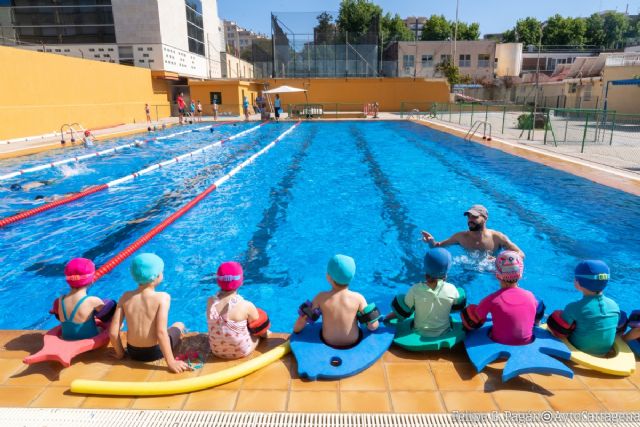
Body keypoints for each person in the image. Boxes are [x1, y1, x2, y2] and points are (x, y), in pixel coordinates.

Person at [109, 253, 191, 373]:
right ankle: (182, 329)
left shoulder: (125, 297)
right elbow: (161, 332)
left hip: (133, 352)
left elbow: (113, 332)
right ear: (157, 276)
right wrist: (171, 362)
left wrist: (121, 354)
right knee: (179, 324)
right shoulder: (163, 297)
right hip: (155, 352)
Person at [293, 254, 379, 348]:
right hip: (353, 342)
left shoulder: (321, 297)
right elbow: (373, 326)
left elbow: (302, 320)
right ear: (352, 277)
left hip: (328, 341)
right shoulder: (358, 298)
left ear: (328, 277)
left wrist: (296, 330)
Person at [461, 251, 543, 345]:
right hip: (526, 342)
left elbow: (475, 318)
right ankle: (537, 324)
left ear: (497, 276)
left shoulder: (491, 299)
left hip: (499, 341)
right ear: (520, 276)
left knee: (470, 313)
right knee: (540, 306)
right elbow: (540, 307)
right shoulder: (531, 296)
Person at [547, 260, 624, 356]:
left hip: (579, 350)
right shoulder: (614, 304)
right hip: (604, 352)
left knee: (555, 320)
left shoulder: (574, 307)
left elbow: (561, 328)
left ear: (578, 283)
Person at [385, 248, 465, 337]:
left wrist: (386, 318)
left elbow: (403, 311)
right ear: (446, 274)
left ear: (425, 272)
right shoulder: (452, 289)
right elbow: (457, 309)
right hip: (444, 332)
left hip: (419, 332)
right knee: (460, 296)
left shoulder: (415, 289)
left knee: (403, 301)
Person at [206, 262, 270, 359]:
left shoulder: (210, 301)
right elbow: (257, 325)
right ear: (241, 281)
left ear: (218, 281)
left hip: (216, 351)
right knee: (259, 329)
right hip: (241, 352)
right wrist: (264, 332)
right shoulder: (246, 305)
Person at [421, 204, 524, 259]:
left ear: (485, 218)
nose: (470, 219)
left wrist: (500, 259)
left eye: (474, 216)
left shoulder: (497, 237)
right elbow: (437, 247)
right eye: (469, 216)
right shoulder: (460, 237)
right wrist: (431, 242)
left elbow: (520, 254)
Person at [50, 258, 113, 340]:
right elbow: (107, 318)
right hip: (90, 338)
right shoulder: (92, 301)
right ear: (91, 280)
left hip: (66, 338)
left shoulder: (59, 300)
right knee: (111, 304)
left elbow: (58, 317)